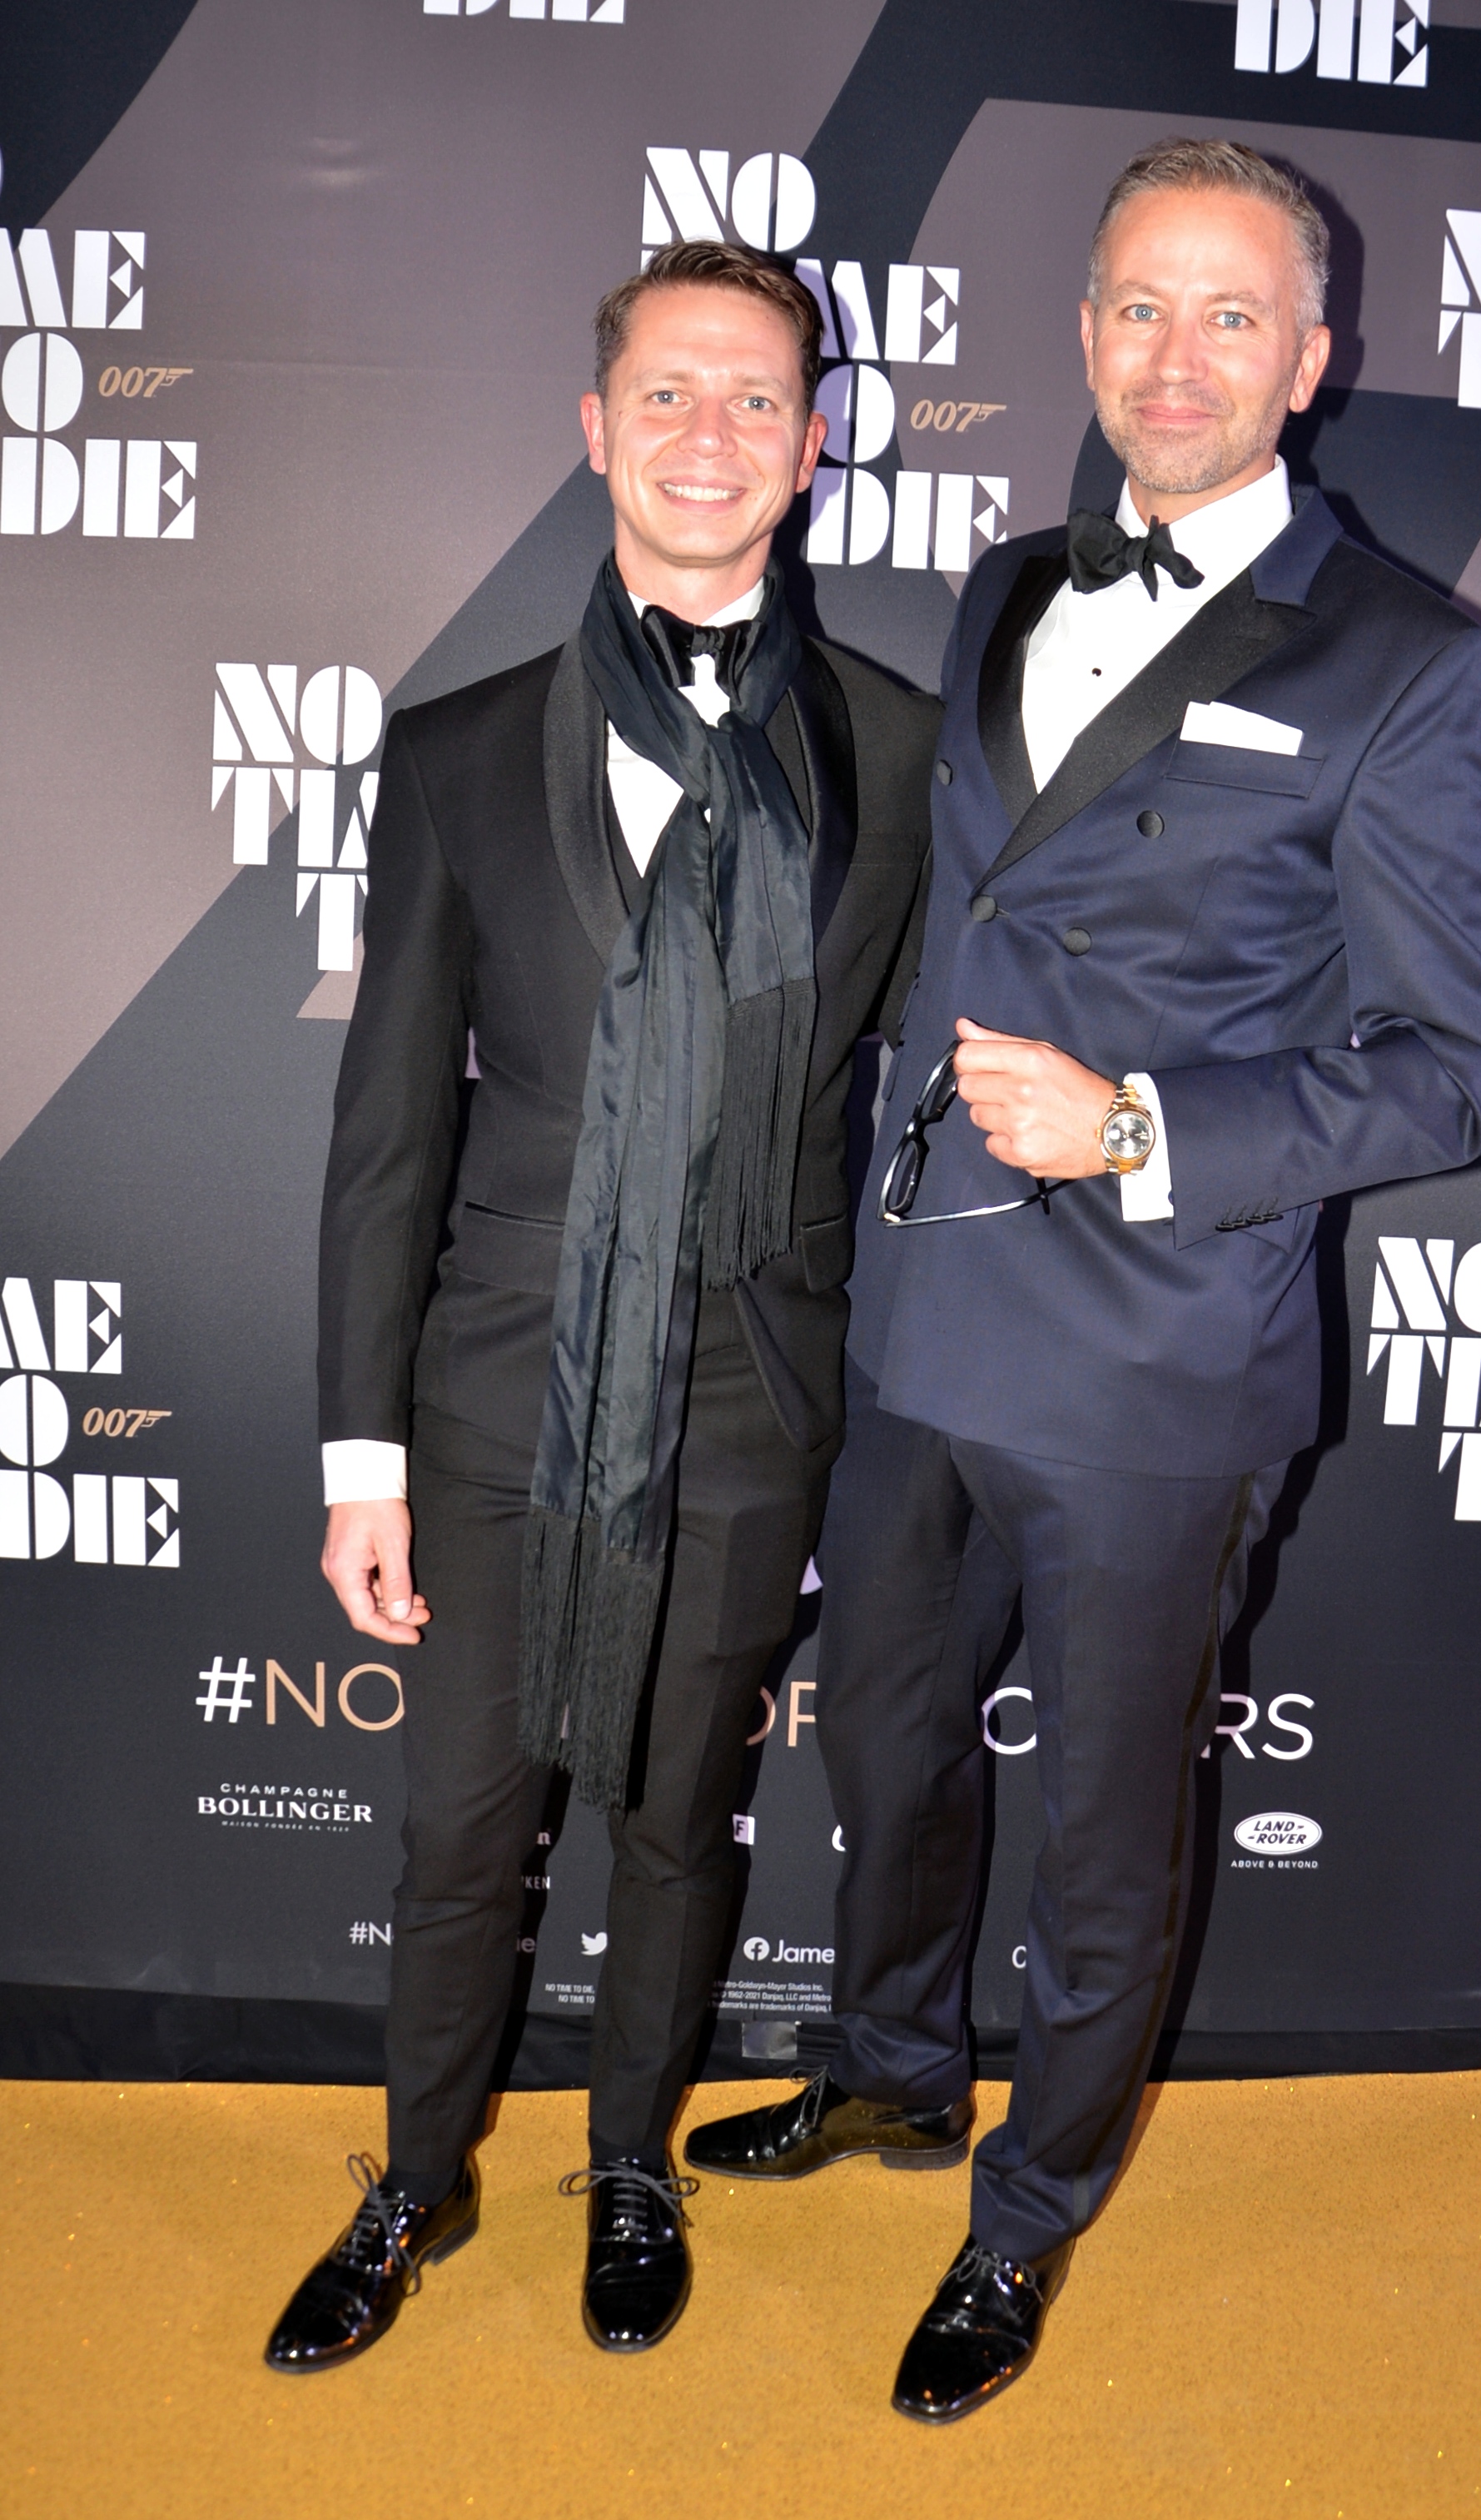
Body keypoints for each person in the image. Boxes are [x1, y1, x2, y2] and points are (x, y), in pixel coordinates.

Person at [688, 139, 1481, 2423]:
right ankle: (888, 2064)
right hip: (920, 1317)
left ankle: (1025, 2211)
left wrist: (1147, 1125)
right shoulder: (1001, 586)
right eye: (1140, 306)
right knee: (884, 1737)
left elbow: (1462, 1066)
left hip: (1158, 1356)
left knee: (1099, 1832)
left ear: (1310, 360)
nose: (1176, 356)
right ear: (1080, 335)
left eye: (1231, 315)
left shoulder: (1413, 663)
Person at [264, 240, 937, 2373]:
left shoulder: (908, 752)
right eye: (666, 393)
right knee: (462, 1826)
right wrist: (360, 1452)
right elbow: (389, 1131)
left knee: (674, 1820)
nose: (708, 433)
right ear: (595, 428)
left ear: (814, 445)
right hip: (494, 1394)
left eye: (756, 398)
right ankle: (417, 2174)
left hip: (752, 1391)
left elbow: (925, 1103)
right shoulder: (459, 749)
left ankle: (629, 2158)